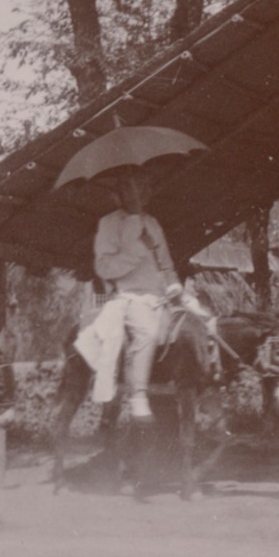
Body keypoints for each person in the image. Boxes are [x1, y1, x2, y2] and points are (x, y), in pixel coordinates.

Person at [90, 166, 182, 423]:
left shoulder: (152, 223)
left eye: (144, 187)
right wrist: (134, 254)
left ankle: (199, 396)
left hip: (161, 297)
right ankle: (137, 396)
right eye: (133, 188)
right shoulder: (109, 223)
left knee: (198, 326)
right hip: (130, 298)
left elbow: (166, 264)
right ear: (119, 195)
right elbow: (104, 267)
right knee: (147, 332)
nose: (141, 194)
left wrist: (173, 284)